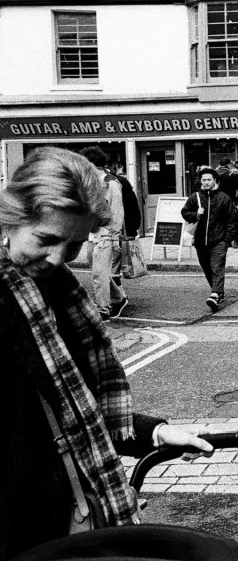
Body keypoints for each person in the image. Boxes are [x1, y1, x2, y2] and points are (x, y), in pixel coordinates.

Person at [0, 147, 212, 558]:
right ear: (11, 217)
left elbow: (75, 410)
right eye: (46, 239)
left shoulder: (59, 293)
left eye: (75, 243)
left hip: (67, 526)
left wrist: (153, 432)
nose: (60, 258)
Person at [79, 147, 128, 321]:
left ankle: (103, 310)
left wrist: (115, 237)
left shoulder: (111, 183)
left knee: (98, 275)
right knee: (99, 271)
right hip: (93, 233)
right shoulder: (86, 183)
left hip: (106, 233)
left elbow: (117, 211)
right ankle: (119, 298)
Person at [181, 167, 238, 312]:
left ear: (215, 181)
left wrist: (227, 240)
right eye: (204, 180)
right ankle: (218, 293)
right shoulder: (195, 197)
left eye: (209, 180)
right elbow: (185, 212)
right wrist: (196, 214)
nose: (206, 182)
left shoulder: (223, 198)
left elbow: (232, 220)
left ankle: (214, 294)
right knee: (207, 268)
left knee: (216, 267)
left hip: (219, 240)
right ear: (200, 181)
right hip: (200, 241)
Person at [216, 158, 238, 249]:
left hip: (217, 202)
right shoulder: (230, 174)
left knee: (221, 222)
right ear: (228, 164)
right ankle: (236, 241)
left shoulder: (214, 174)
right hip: (229, 201)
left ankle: (225, 242)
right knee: (234, 222)